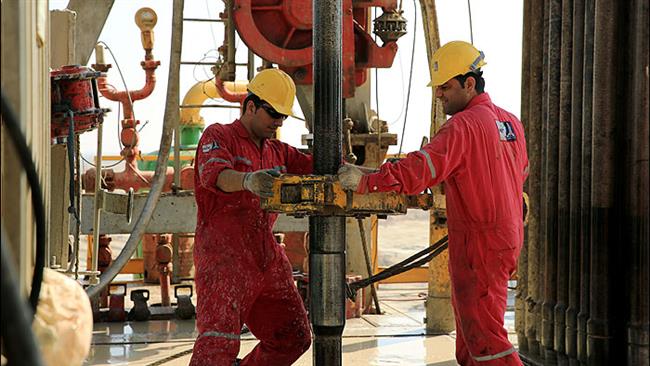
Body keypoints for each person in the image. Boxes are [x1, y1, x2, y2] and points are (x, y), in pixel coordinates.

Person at [338, 41, 528, 366]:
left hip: (479, 245)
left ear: (470, 83)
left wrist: (365, 180)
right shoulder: (511, 124)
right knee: (471, 336)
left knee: (486, 340)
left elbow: (420, 170)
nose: (440, 94)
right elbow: (519, 172)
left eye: (446, 86)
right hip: (503, 238)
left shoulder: (463, 126)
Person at [190, 68, 313, 366]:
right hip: (224, 259)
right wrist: (247, 181)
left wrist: (369, 176)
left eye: (283, 117)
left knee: (293, 335)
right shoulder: (219, 135)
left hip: (265, 258)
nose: (278, 123)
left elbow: (318, 165)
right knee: (217, 349)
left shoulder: (277, 151)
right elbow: (215, 175)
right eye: (273, 114)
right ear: (250, 106)